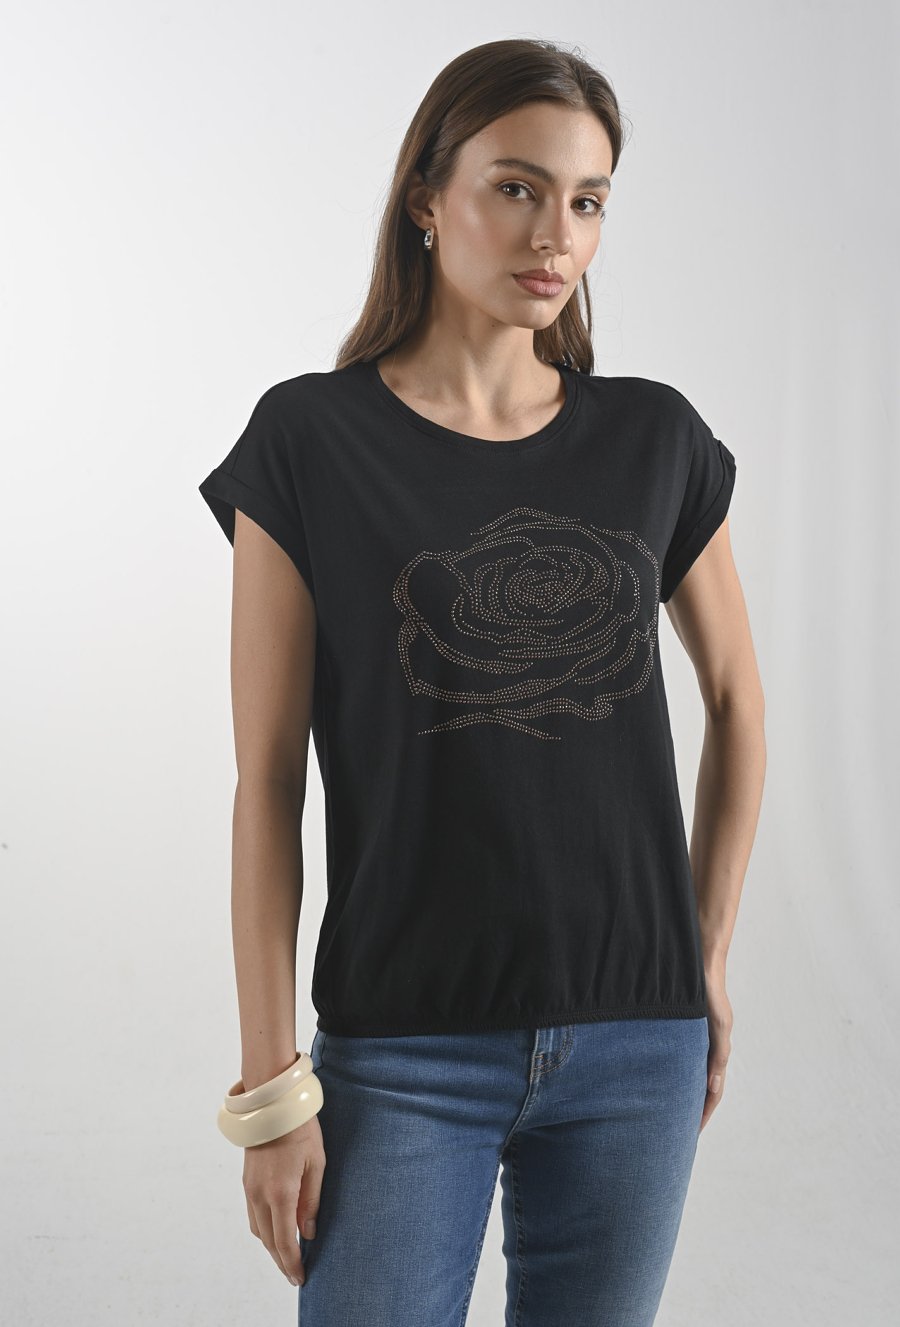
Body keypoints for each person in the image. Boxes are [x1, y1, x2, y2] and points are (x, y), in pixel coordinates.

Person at [199, 37, 766, 1327]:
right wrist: (270, 1084)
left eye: (588, 200)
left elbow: (738, 703)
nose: (555, 235)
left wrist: (708, 959)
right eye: (517, 188)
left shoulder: (656, 437)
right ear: (426, 198)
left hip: (637, 1042)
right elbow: (266, 779)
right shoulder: (309, 441)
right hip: (402, 1048)